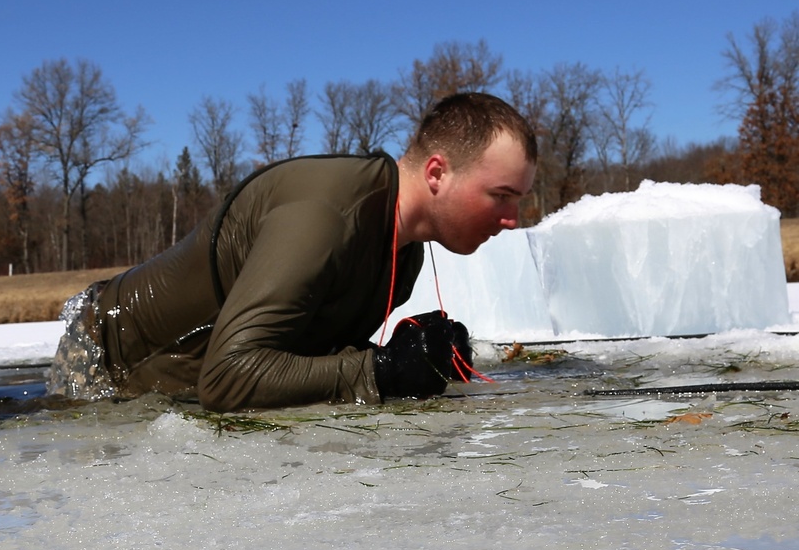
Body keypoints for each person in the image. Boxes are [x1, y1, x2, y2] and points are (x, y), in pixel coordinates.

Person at [47, 92, 537, 412]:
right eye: (501, 196)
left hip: (175, 383)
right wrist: (382, 370)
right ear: (437, 173)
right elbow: (228, 376)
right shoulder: (326, 218)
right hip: (104, 360)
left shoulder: (403, 255)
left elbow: (302, 352)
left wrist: (417, 358)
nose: (513, 219)